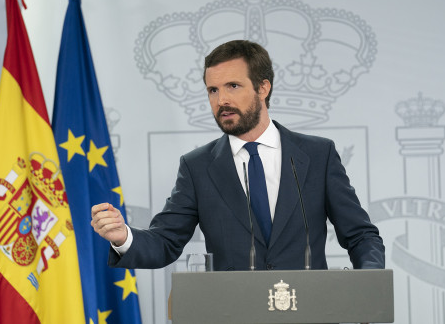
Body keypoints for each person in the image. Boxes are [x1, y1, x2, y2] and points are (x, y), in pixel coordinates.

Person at [91, 40, 385, 271]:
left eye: (233, 86)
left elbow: (360, 236)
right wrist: (123, 237)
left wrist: (368, 288)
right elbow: (165, 241)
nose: (222, 100)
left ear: (263, 88)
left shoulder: (318, 155)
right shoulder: (197, 167)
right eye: (213, 90)